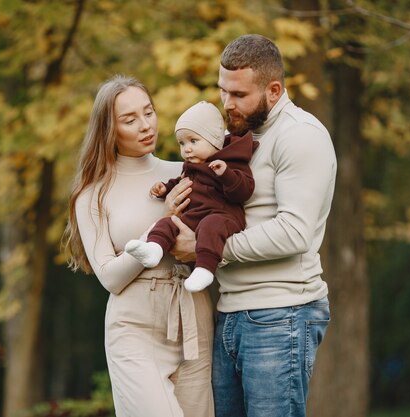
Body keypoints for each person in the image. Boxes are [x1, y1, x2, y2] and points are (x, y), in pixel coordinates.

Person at [167, 34, 337, 417]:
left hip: (281, 315)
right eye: (222, 91)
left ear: (274, 90)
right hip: (228, 312)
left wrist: (205, 249)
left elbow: (294, 232)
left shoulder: (300, 136)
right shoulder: (233, 139)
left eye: (239, 95)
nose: (227, 104)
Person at [63, 74, 214, 417]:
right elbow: (110, 278)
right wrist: (159, 223)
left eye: (148, 112)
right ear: (109, 130)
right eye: (130, 120)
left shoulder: (186, 173)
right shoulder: (93, 194)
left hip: (193, 318)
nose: (145, 125)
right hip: (134, 328)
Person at [124, 100, 256, 293]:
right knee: (167, 222)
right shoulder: (191, 165)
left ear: (214, 140)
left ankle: (204, 269)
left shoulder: (230, 162)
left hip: (222, 217)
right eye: (182, 143)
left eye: (193, 141)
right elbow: (181, 181)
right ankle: (153, 248)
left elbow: (244, 190)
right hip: (194, 217)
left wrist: (226, 174)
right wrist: (165, 188)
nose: (186, 149)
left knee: (211, 226)